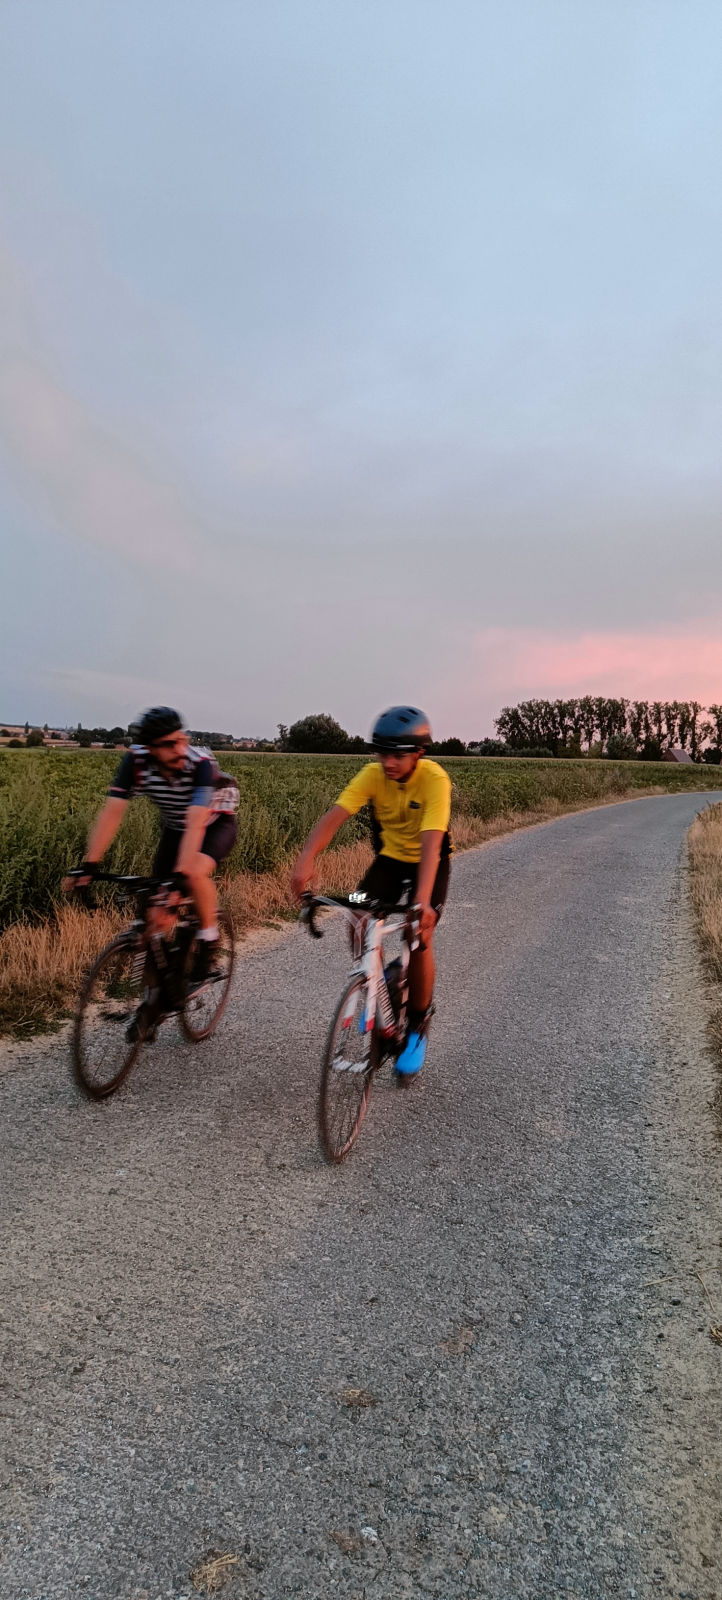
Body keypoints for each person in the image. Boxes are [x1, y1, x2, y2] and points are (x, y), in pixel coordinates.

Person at [291, 705, 451, 1078]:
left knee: (418, 936)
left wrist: (422, 904)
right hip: (389, 862)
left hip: (429, 863)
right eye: (382, 753)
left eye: (398, 754)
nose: (388, 762)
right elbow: (333, 819)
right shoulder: (372, 775)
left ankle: (417, 1026)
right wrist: (305, 862)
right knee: (358, 908)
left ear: (418, 754)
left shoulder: (434, 781)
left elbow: (431, 845)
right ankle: (375, 980)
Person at [65, 708, 238, 981]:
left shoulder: (199, 763)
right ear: (150, 749)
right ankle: (157, 993)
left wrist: (179, 879)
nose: (180, 749)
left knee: (191, 874)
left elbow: (196, 822)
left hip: (214, 822)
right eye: (169, 744)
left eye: (182, 739)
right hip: (175, 827)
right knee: (154, 911)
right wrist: (90, 864)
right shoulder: (136, 762)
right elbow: (112, 813)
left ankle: (209, 938)